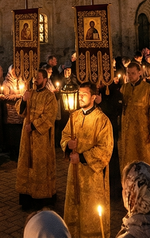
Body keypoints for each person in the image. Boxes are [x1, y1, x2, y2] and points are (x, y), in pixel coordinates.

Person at [60, 82, 113, 238]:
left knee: (90, 211)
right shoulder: (74, 116)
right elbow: (64, 136)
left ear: (94, 97)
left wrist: (82, 157)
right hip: (74, 172)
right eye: (79, 94)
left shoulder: (102, 120)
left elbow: (105, 149)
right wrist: (68, 145)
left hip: (92, 177)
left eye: (84, 94)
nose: (80, 97)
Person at [16, 68, 58, 209]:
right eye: (35, 78)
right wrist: (23, 100)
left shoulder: (49, 97)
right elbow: (20, 111)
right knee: (27, 164)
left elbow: (49, 116)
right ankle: (27, 195)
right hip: (27, 136)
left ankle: (41, 198)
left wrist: (34, 126)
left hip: (41, 138)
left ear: (45, 80)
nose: (35, 80)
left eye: (38, 78)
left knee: (40, 166)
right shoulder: (30, 93)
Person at [120, 62, 150, 172]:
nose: (130, 76)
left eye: (133, 73)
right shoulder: (124, 88)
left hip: (144, 132)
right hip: (128, 133)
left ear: (139, 73)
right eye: (128, 73)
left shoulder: (149, 89)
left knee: (146, 158)